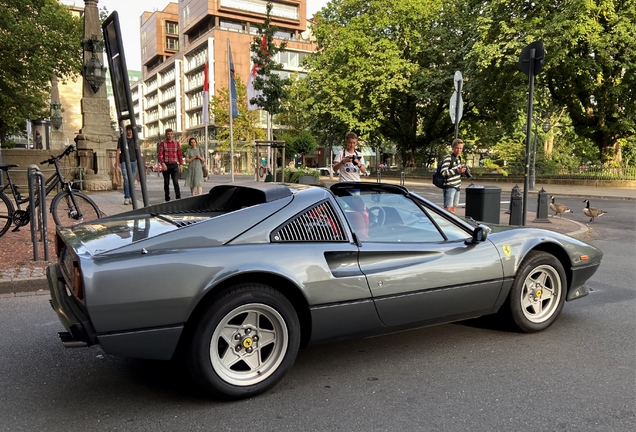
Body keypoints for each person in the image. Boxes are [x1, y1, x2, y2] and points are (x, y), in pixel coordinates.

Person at [440, 138, 468, 213]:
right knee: (448, 209)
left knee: (453, 208)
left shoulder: (458, 158)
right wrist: (457, 170)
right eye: (457, 148)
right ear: (452, 148)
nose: (459, 150)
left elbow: (457, 173)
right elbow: (443, 172)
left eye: (460, 148)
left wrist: (463, 173)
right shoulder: (448, 158)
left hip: (457, 186)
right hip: (450, 186)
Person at [114, 125, 138, 205]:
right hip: (124, 160)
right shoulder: (122, 139)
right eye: (128, 130)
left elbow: (137, 149)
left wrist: (137, 159)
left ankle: (131, 196)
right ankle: (127, 197)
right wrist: (116, 161)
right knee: (126, 179)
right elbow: (118, 150)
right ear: (126, 131)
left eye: (131, 130)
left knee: (132, 179)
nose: (129, 131)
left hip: (133, 161)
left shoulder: (135, 139)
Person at [158, 128, 183, 202]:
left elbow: (180, 155)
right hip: (166, 165)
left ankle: (178, 198)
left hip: (174, 165)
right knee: (166, 182)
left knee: (175, 181)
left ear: (173, 135)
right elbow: (160, 155)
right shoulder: (163, 143)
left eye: (171, 134)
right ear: (166, 135)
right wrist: (162, 164)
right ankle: (167, 198)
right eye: (168, 134)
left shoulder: (176, 143)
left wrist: (181, 165)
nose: (170, 135)